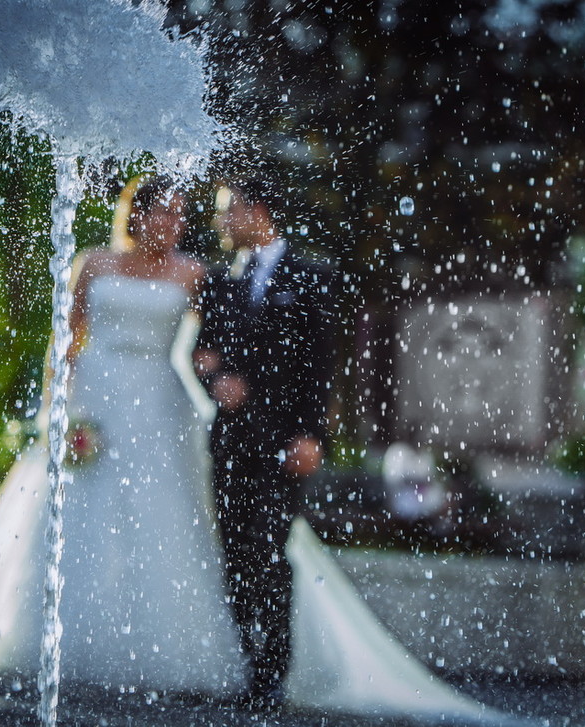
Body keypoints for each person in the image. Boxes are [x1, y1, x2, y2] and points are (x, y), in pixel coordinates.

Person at [0, 174, 248, 695]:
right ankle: (48, 636)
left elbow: (212, 342)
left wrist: (224, 375)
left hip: (158, 403)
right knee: (80, 508)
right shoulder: (94, 263)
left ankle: (161, 649)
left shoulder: (193, 274)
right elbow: (67, 340)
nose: (173, 224)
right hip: (94, 396)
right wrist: (55, 410)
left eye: (180, 215)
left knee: (160, 515)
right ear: (138, 215)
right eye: (163, 213)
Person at [193, 176, 336, 707]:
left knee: (268, 549)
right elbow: (202, 352)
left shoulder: (311, 276)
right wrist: (215, 378)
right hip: (231, 442)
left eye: (228, 211)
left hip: (284, 444)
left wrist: (312, 435)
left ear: (258, 211)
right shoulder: (219, 279)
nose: (221, 221)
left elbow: (321, 365)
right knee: (234, 552)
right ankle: (247, 658)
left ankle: (272, 672)